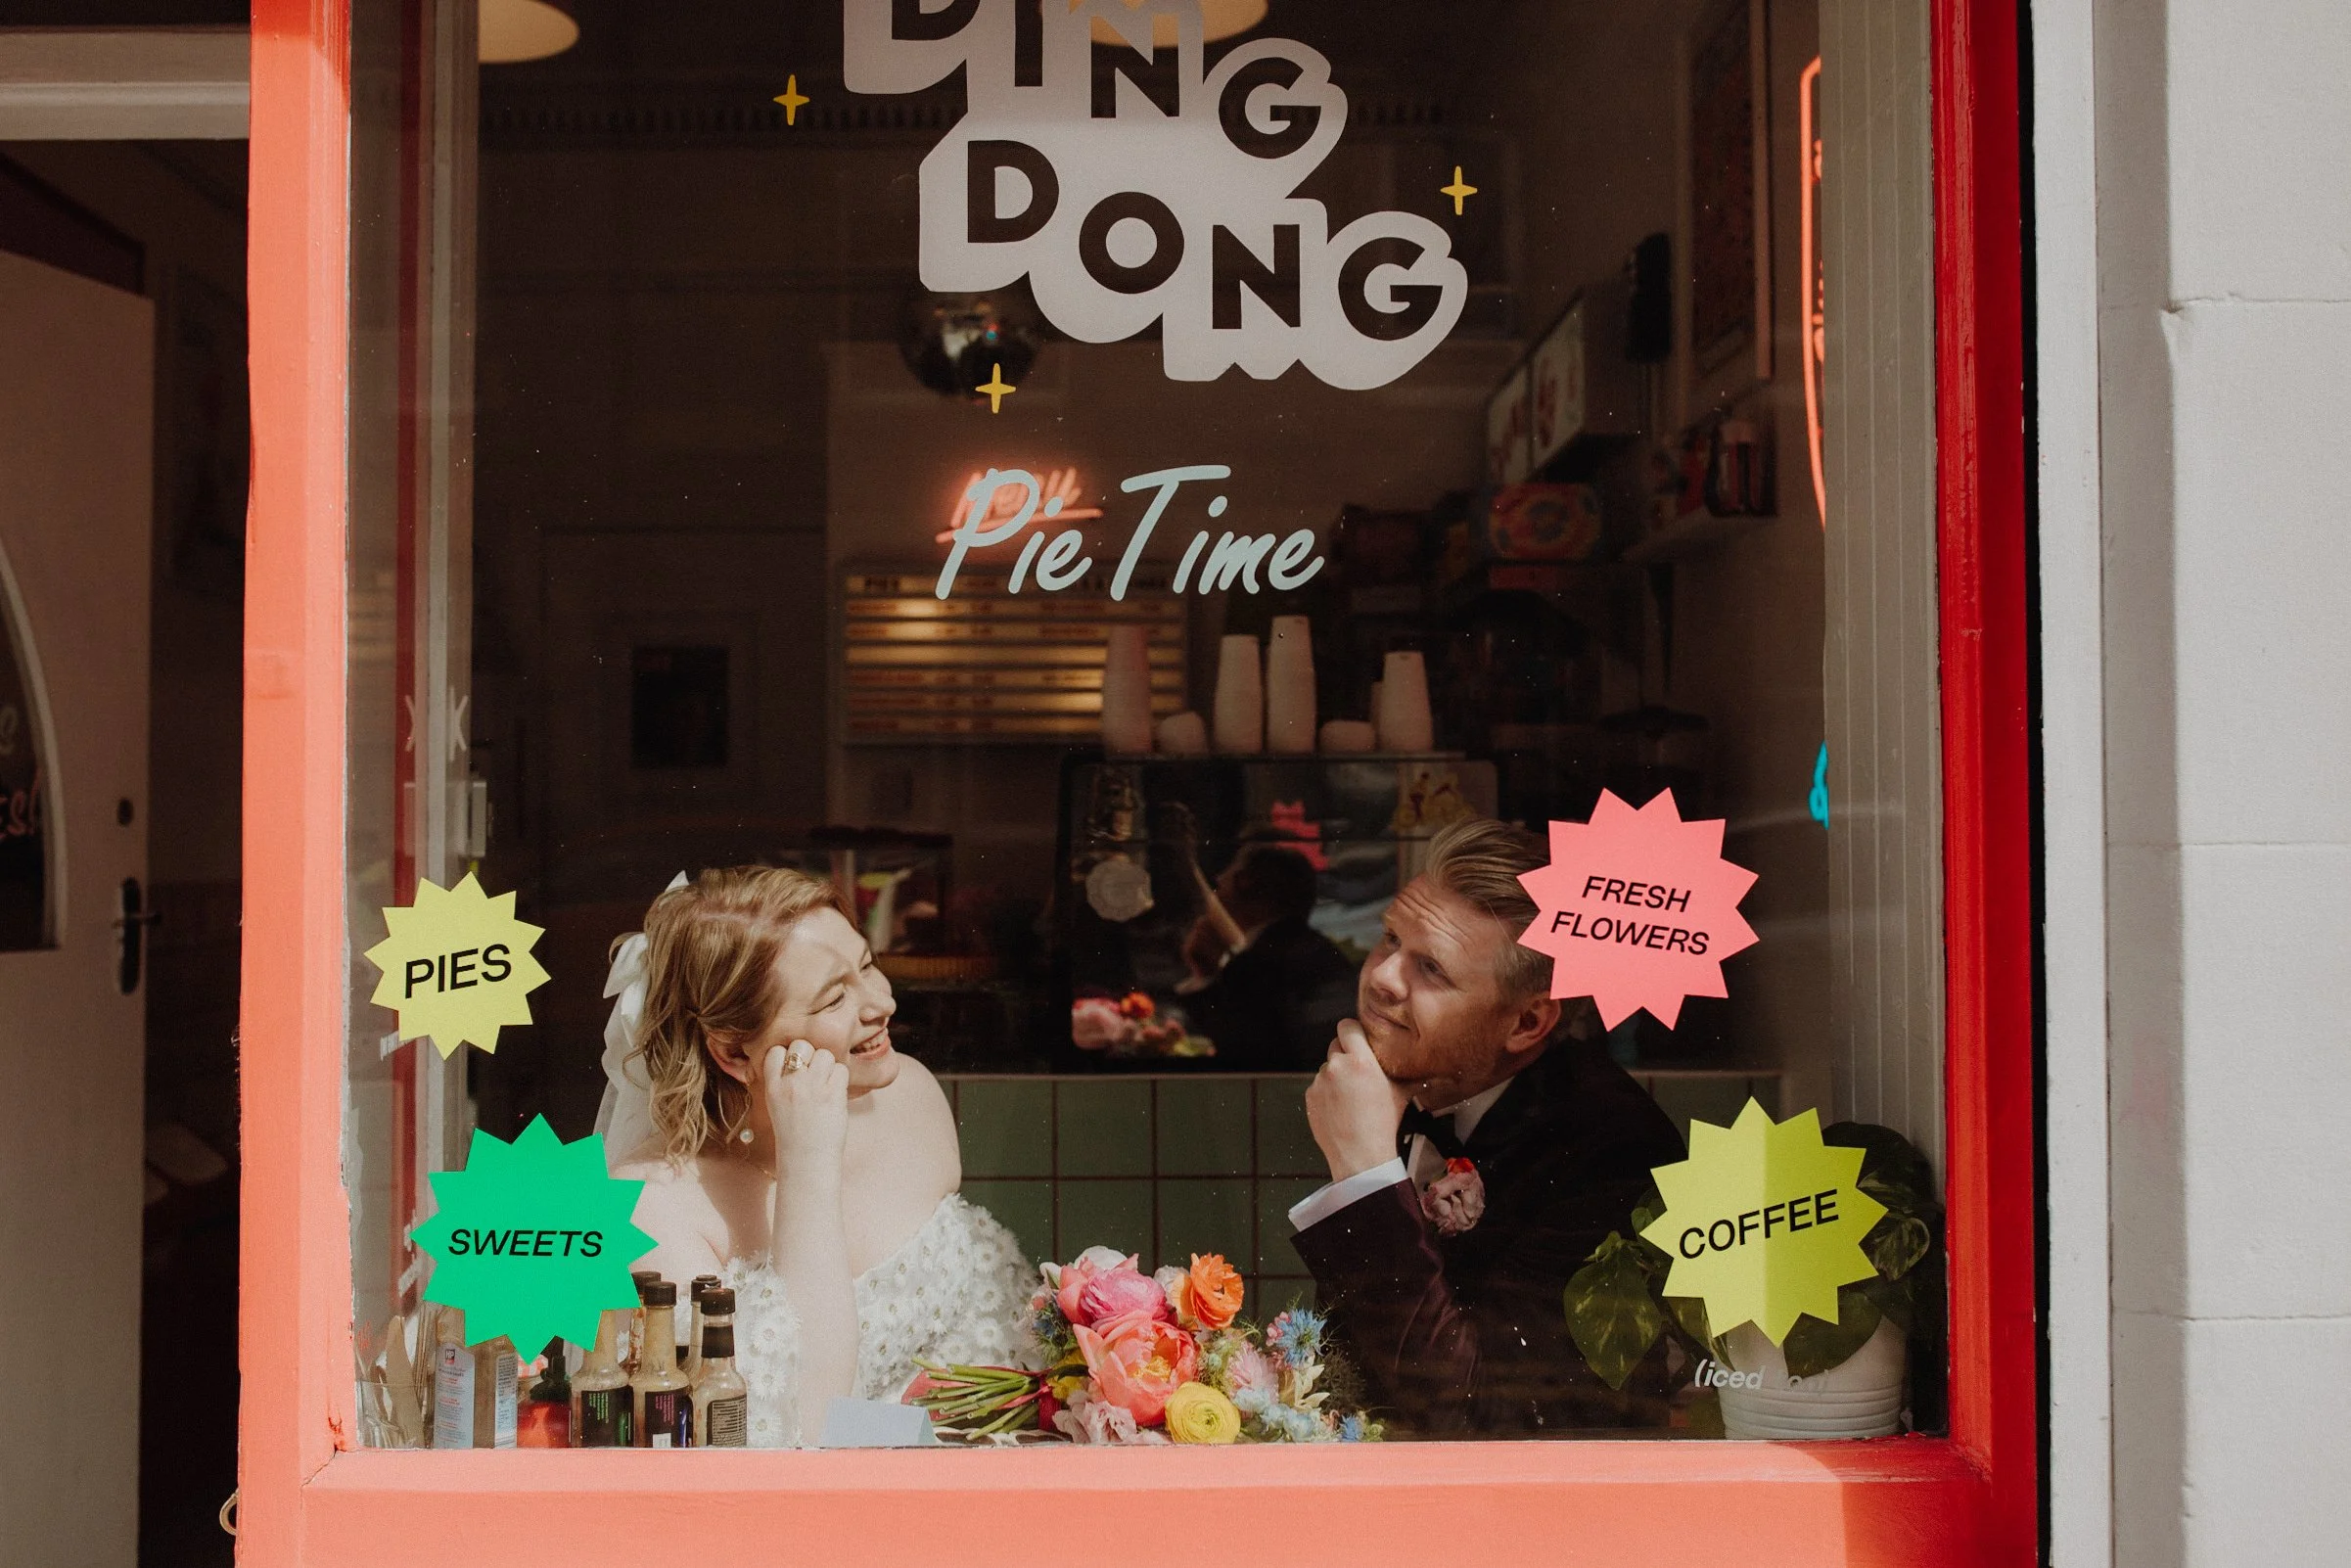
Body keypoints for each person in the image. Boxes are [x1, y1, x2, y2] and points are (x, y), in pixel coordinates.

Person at [599, 867, 1034, 1447]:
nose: (882, 1003)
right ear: (732, 1051)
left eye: (869, 966)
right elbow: (796, 1426)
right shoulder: (651, 1206)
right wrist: (809, 1162)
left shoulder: (909, 1098)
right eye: (834, 998)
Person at [1289, 817, 1685, 1437]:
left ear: (1527, 1023)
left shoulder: (1609, 1148)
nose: (1383, 978)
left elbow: (1479, 1415)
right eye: (1390, 939)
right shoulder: (1416, 1078)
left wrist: (1365, 1173)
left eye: (1432, 970)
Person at [1174, 841, 1358, 1071]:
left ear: (1244, 882)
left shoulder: (1258, 963)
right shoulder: (1316, 948)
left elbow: (1234, 1046)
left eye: (1228, 874)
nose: (1219, 880)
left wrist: (1206, 972)